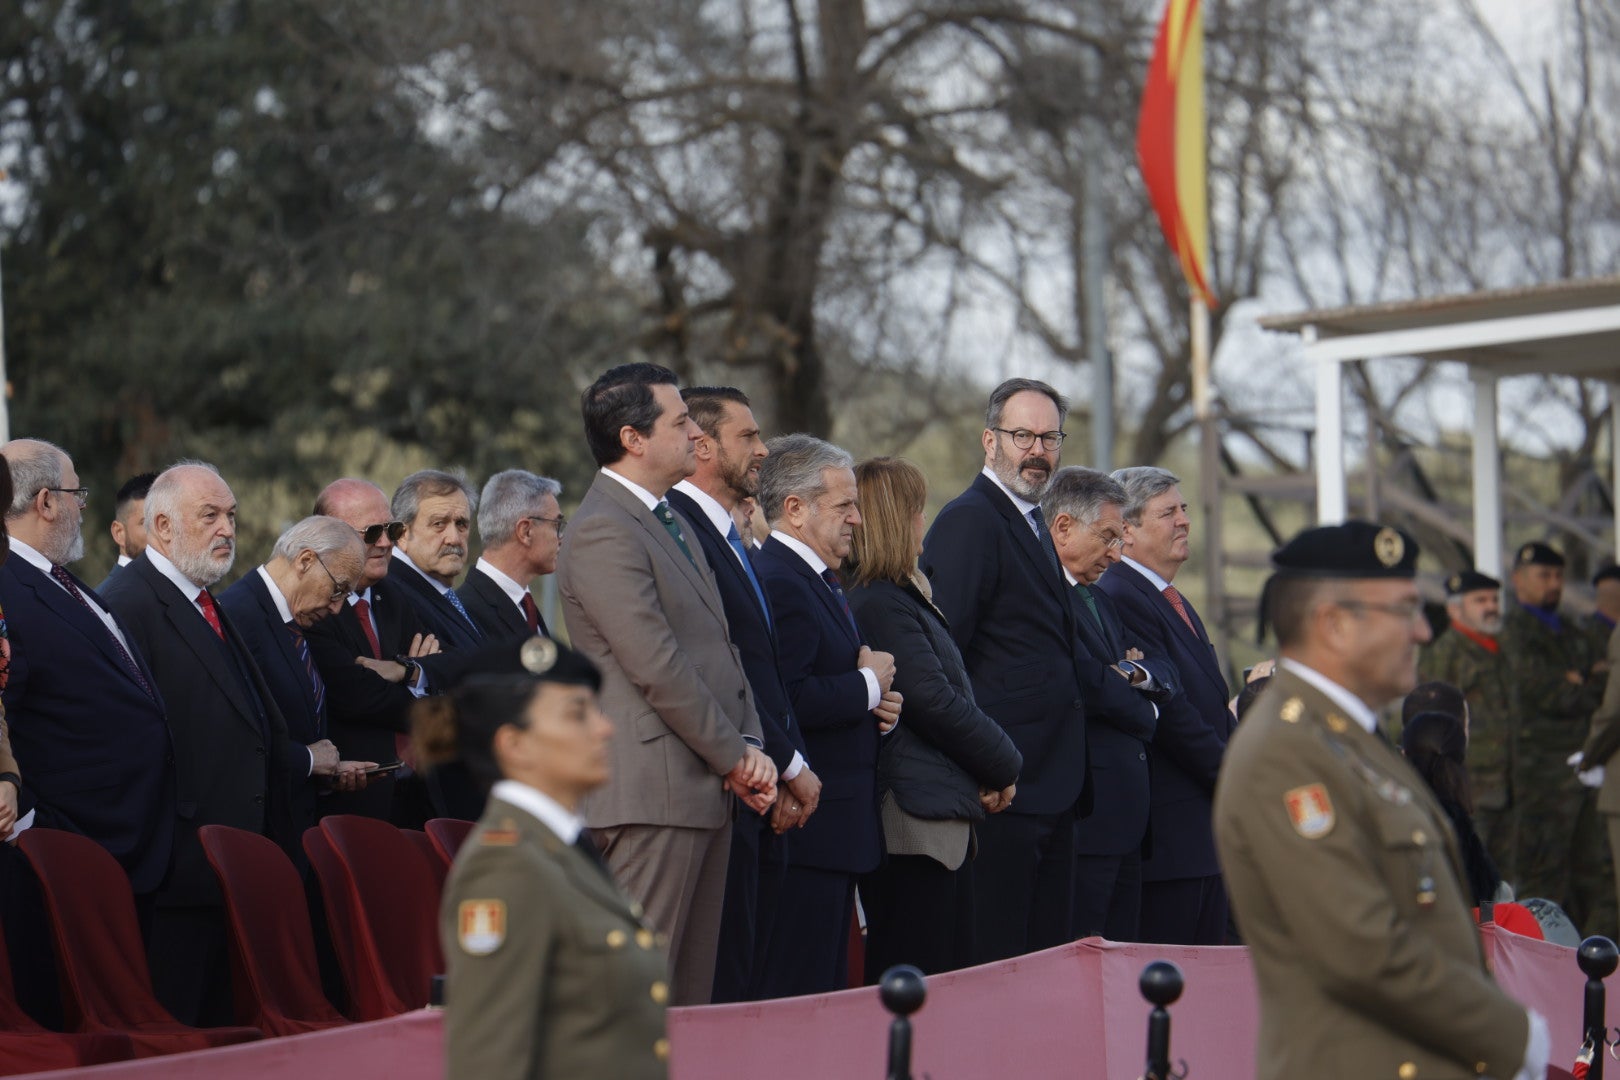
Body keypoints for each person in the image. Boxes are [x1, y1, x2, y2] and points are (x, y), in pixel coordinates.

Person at [1214, 520, 1547, 1080]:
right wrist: (1513, 1038)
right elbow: (1359, 949)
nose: (1422, 631)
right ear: (1334, 624)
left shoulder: (1350, 740)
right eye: (1402, 610)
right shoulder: (1286, 753)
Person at [557, 362, 774, 1006]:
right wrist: (738, 756)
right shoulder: (602, 529)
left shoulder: (663, 519)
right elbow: (656, 664)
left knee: (685, 1002)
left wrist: (749, 743)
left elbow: (719, 648)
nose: (694, 437)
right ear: (634, 438)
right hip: (652, 798)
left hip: (697, 790)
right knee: (633, 1004)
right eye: (680, 423)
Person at [100, 461, 308, 1025]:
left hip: (234, 866)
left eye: (232, 516)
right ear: (161, 527)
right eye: (210, 516)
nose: (227, 530)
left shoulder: (204, 598)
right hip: (181, 873)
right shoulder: (127, 603)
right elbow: (128, 744)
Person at [433, 636, 670, 1080]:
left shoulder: (563, 851)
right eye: (577, 714)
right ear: (515, 746)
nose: (604, 728)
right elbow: (488, 1063)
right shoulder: (504, 869)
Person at [921, 378, 1089, 963]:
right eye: (1023, 435)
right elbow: (944, 655)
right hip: (1005, 788)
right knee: (999, 965)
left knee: (1046, 965)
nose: (1037, 450)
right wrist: (981, 764)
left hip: (1053, 785)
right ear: (990, 440)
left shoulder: (1034, 520)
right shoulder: (971, 520)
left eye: (1049, 437)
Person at [665, 386, 818, 1002]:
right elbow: (723, 669)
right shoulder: (681, 530)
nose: (763, 450)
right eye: (749, 437)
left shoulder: (728, 535)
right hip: (723, 787)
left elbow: (762, 665)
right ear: (702, 445)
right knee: (723, 986)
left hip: (757, 787)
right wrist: (787, 764)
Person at [845, 456, 1020, 976]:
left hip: (939, 815)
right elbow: (935, 702)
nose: (926, 520)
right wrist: (1006, 764)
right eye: (918, 510)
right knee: (920, 978)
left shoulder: (900, 597)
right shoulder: (880, 603)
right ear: (899, 520)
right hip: (913, 826)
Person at [753, 435, 899, 994]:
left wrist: (879, 701)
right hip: (808, 832)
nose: (858, 521)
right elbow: (783, 699)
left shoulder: (816, 579)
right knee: (801, 991)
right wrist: (866, 685)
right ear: (795, 508)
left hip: (834, 831)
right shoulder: (783, 581)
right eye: (845, 506)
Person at [0, 440, 173, 897]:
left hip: (130, 844)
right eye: (77, 494)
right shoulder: (7, 584)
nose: (82, 508)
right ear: (47, 502)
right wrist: (33, 824)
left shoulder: (56, 578)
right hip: (76, 856)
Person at [1098, 466, 1234, 946]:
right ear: (1127, 530)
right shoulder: (1121, 594)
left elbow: (1207, 700)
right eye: (1168, 512)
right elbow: (1172, 712)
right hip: (1171, 843)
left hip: (1200, 839)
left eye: (1184, 509)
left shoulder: (1166, 595)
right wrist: (1233, 773)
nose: (1184, 521)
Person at [1045, 467, 1178, 942]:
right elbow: (1092, 683)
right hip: (1090, 822)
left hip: (1127, 823)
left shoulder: (1099, 599)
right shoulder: (1049, 597)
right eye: (1106, 536)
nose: (1116, 552)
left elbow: (1163, 671)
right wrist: (1146, 706)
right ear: (1063, 528)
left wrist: (1134, 673)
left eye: (1120, 537)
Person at [218, 515, 375, 836]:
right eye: (338, 590)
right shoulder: (237, 616)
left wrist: (326, 769)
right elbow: (230, 737)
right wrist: (305, 759)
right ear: (305, 561)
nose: (336, 608)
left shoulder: (293, 621)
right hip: (256, 835)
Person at [305, 478, 448, 820]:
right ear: (328, 537)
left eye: (391, 529)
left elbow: (451, 666)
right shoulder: (313, 606)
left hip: (416, 796)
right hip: (349, 802)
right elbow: (355, 695)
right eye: (370, 533)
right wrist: (421, 684)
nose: (385, 543)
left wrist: (409, 672)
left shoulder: (396, 595)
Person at [1501, 541, 1614, 936]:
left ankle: (1598, 971)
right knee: (1544, 885)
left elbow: (1599, 686)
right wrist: (1590, 679)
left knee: (1598, 881)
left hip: (1584, 774)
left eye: (1558, 576)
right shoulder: (1514, 632)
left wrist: (1587, 680)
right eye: (1543, 576)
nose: (1554, 584)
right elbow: (1555, 694)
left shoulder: (1570, 630)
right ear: (1518, 580)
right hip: (1541, 781)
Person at [1417, 570, 1517, 878]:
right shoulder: (1445, 655)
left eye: (1494, 599)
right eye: (1480, 600)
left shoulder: (1501, 651)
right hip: (1470, 789)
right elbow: (1427, 726)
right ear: (1455, 609)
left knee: (1503, 878)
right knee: (1474, 876)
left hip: (1509, 785)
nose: (1491, 606)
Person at [456, 470, 563, 641]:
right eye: (556, 525)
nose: (560, 538)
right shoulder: (464, 615)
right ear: (525, 531)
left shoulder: (525, 605)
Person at [390, 470, 486, 649]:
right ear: (402, 534)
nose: (454, 538)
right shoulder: (393, 595)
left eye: (461, 524)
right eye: (439, 524)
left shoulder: (438, 590)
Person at [97, 471, 156, 589]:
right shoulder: (108, 599)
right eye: (147, 523)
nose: (161, 533)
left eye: (165, 523)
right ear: (119, 533)